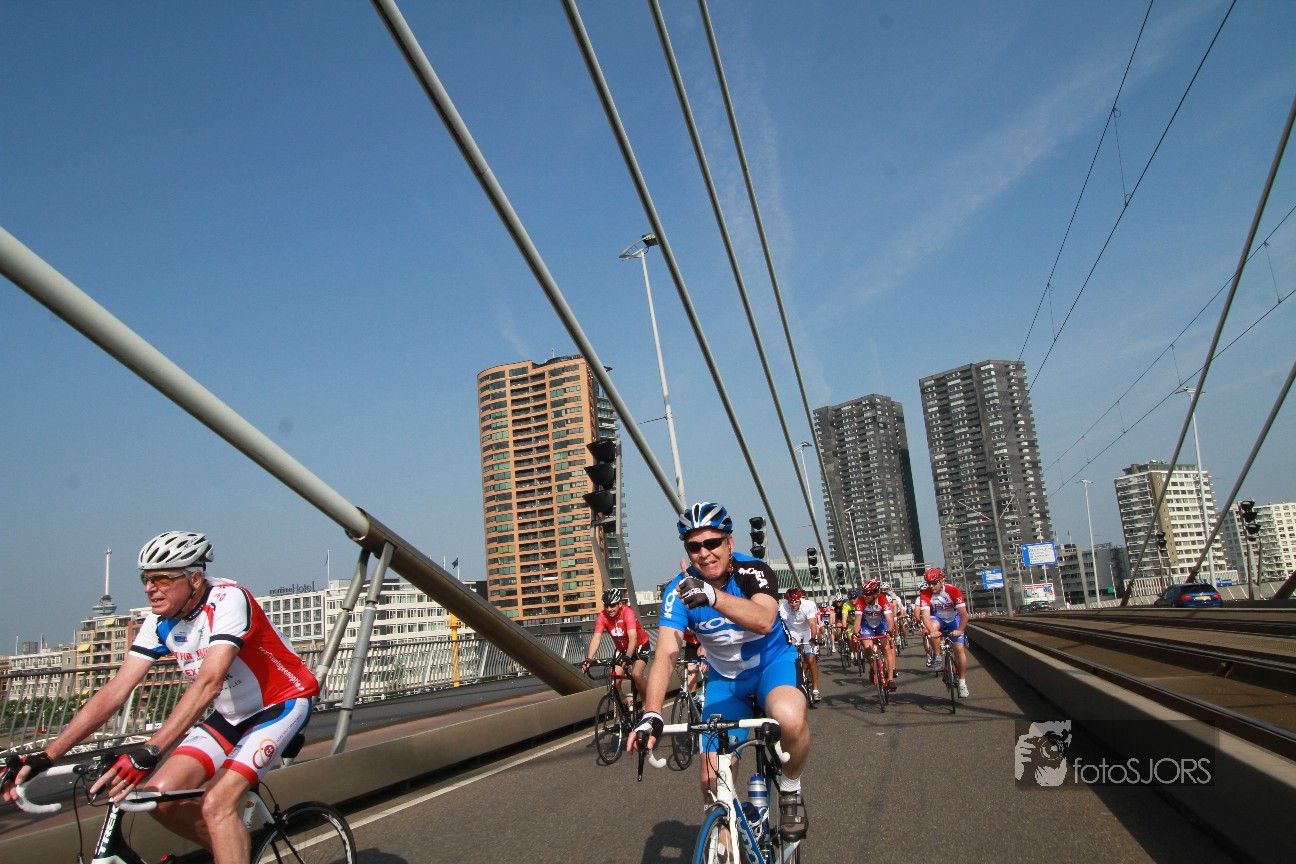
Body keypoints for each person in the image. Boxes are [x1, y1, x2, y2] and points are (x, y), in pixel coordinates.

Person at [2, 531, 319, 864]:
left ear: (194, 579)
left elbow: (209, 683)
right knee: (159, 797)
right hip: (230, 716)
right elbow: (116, 691)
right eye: (146, 579)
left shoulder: (229, 600)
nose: (149, 588)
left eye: (162, 579)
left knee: (217, 803)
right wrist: (48, 755)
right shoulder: (158, 622)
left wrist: (152, 750)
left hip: (281, 704)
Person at [630, 502, 809, 842]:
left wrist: (712, 596)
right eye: (694, 547)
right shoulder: (678, 591)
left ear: (729, 543)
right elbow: (666, 652)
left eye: (712, 543)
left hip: (772, 666)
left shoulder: (753, 570)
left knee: (789, 717)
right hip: (726, 681)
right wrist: (651, 713)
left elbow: (764, 620)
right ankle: (725, 847)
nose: (705, 553)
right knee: (711, 779)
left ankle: (790, 787)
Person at [582, 588, 650, 707]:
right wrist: (589, 659)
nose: (609, 609)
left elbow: (633, 638)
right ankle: (622, 708)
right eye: (606, 606)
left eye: (612, 605)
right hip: (622, 649)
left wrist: (628, 657)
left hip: (639, 645)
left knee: (636, 675)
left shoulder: (628, 613)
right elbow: (596, 638)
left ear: (620, 604)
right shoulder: (603, 616)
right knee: (614, 680)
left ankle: (646, 704)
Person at [917, 567, 970, 697]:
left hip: (954, 620)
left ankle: (962, 683)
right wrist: (931, 631)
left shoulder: (953, 591)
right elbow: (925, 616)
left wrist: (960, 630)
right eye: (929, 583)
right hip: (939, 619)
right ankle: (938, 657)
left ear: (942, 581)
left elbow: (964, 615)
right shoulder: (925, 593)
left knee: (959, 649)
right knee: (932, 627)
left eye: (934, 583)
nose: (931, 586)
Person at [851, 579, 896, 690]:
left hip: (881, 624)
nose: (864, 596)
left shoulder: (882, 599)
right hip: (867, 626)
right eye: (863, 593)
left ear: (875, 594)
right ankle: (872, 666)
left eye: (867, 594)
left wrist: (889, 631)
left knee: (886, 647)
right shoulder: (860, 601)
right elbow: (857, 621)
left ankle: (890, 679)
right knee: (867, 647)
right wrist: (855, 634)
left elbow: (890, 620)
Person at [778, 587, 822, 702]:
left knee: (811, 659)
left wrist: (813, 638)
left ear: (800, 600)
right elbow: (783, 625)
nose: (793, 604)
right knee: (791, 652)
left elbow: (812, 624)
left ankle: (816, 689)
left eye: (796, 601)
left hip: (807, 630)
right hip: (793, 631)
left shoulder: (808, 605)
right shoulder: (783, 607)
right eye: (791, 602)